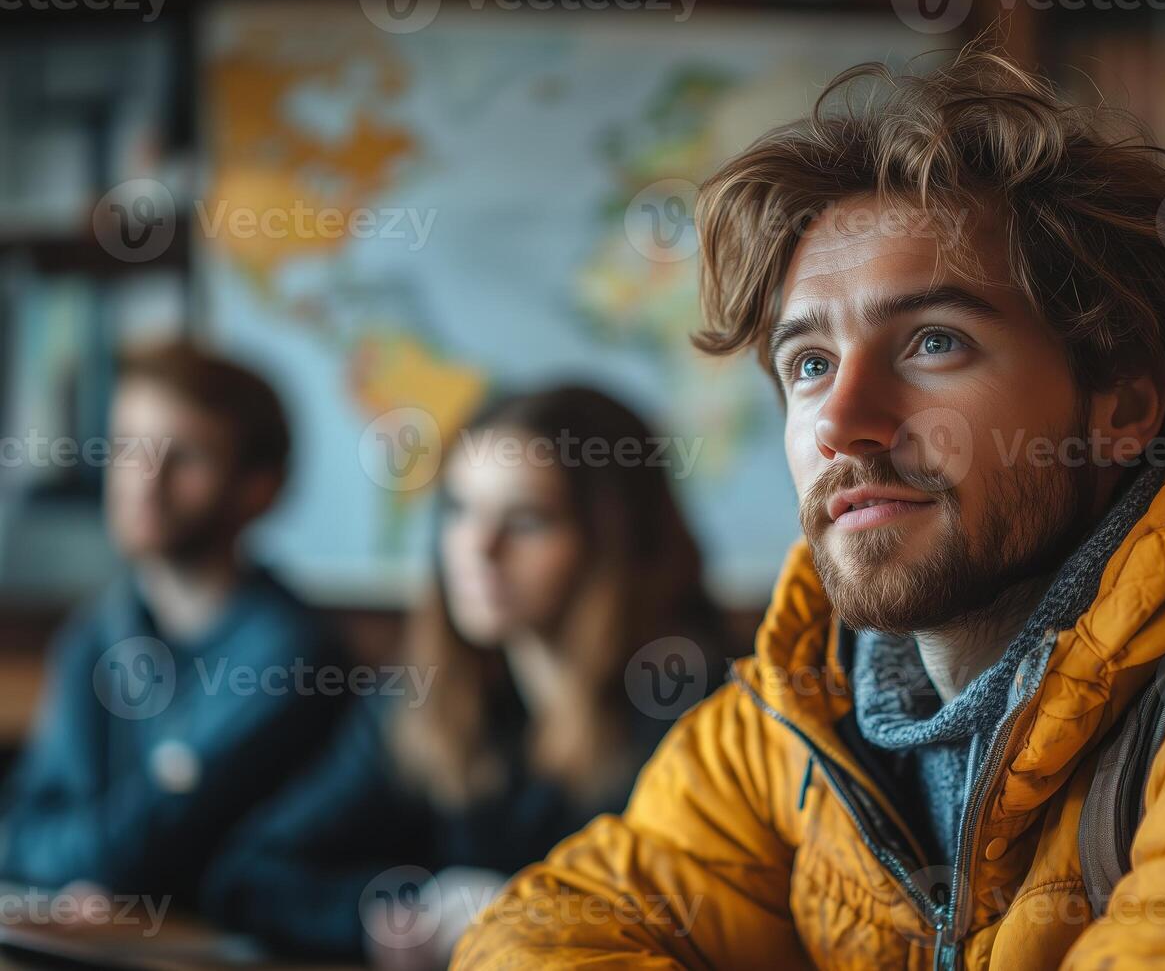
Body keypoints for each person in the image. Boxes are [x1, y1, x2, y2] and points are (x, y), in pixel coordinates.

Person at [452, 44, 1165, 969]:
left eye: (934, 340)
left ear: (1121, 403)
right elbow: (541, 929)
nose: (842, 422)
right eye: (808, 363)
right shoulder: (794, 720)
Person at [200, 385, 730, 967]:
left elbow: (717, 926)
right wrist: (404, 914)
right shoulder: (424, 697)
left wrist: (533, 918)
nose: (478, 547)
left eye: (527, 520)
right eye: (459, 510)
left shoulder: (699, 706)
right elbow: (248, 876)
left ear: (613, 541)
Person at [0, 342, 346, 909]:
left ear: (259, 489)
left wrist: (85, 868)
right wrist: (83, 872)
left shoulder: (291, 656)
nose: (144, 481)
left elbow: (160, 848)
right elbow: (21, 833)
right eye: (128, 448)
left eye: (185, 457)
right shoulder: (95, 633)